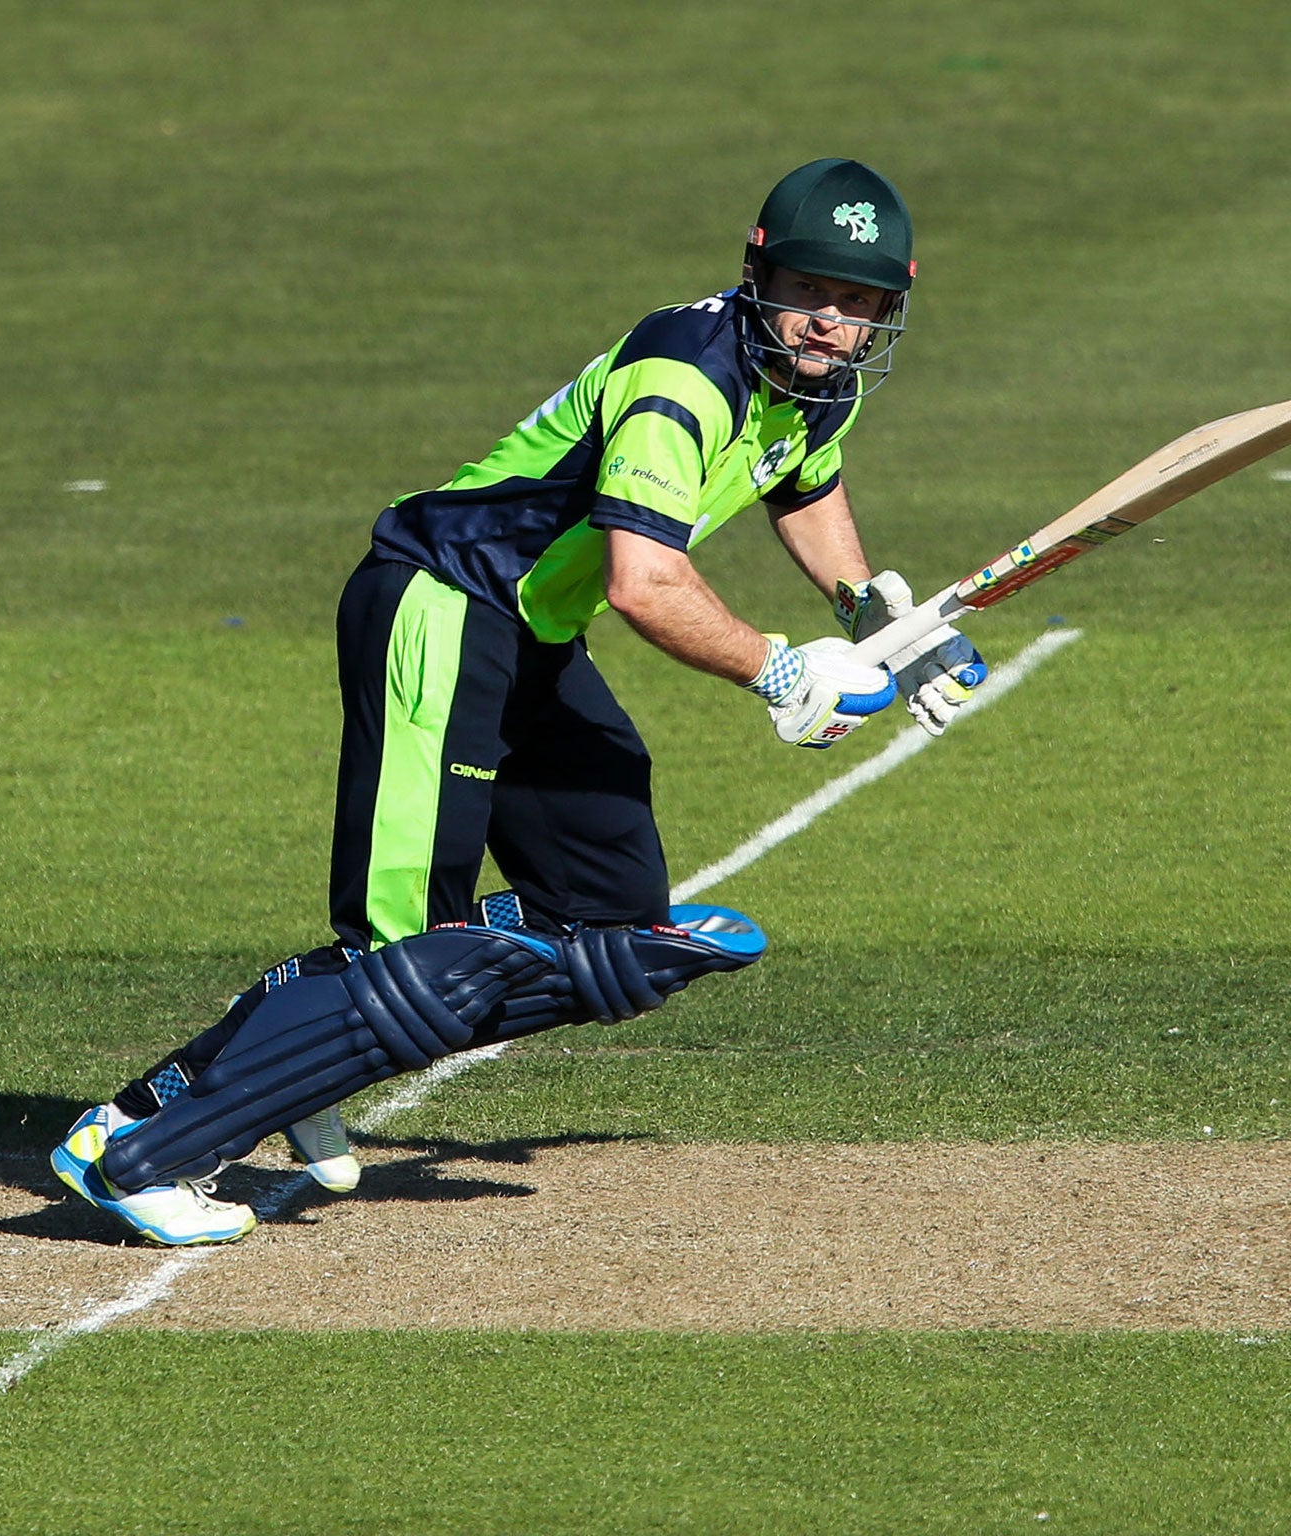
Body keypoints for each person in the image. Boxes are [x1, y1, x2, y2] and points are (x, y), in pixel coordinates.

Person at [50, 158, 987, 1245]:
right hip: (440, 609)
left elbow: (801, 483)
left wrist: (875, 617)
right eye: (812, 295)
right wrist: (781, 675)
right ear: (757, 273)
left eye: (862, 304)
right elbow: (643, 582)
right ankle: (136, 1143)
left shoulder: (809, 386)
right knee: (409, 951)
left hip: (529, 628)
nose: (833, 323)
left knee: (611, 910)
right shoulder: (683, 380)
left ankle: (292, 1057)